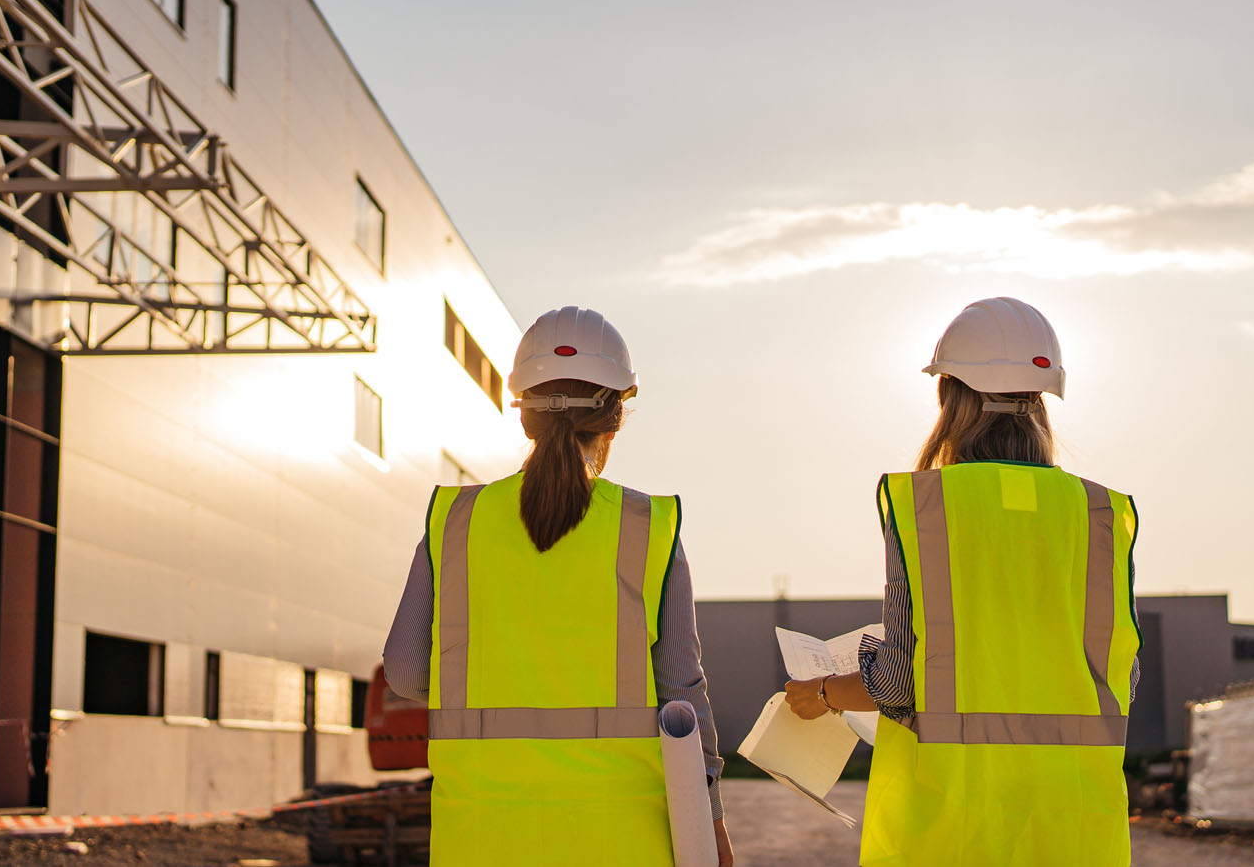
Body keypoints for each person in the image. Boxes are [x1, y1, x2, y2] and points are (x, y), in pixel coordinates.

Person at [784, 297, 1141, 866]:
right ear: (1043, 398)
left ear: (950, 395)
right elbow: (1123, 674)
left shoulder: (927, 508)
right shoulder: (1098, 514)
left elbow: (901, 682)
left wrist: (824, 694)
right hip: (1074, 829)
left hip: (954, 826)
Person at [382, 306, 733, 866]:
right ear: (617, 415)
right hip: (621, 839)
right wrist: (710, 822)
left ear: (524, 415)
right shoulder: (647, 529)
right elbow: (681, 694)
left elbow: (407, 673)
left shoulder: (455, 525)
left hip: (481, 836)